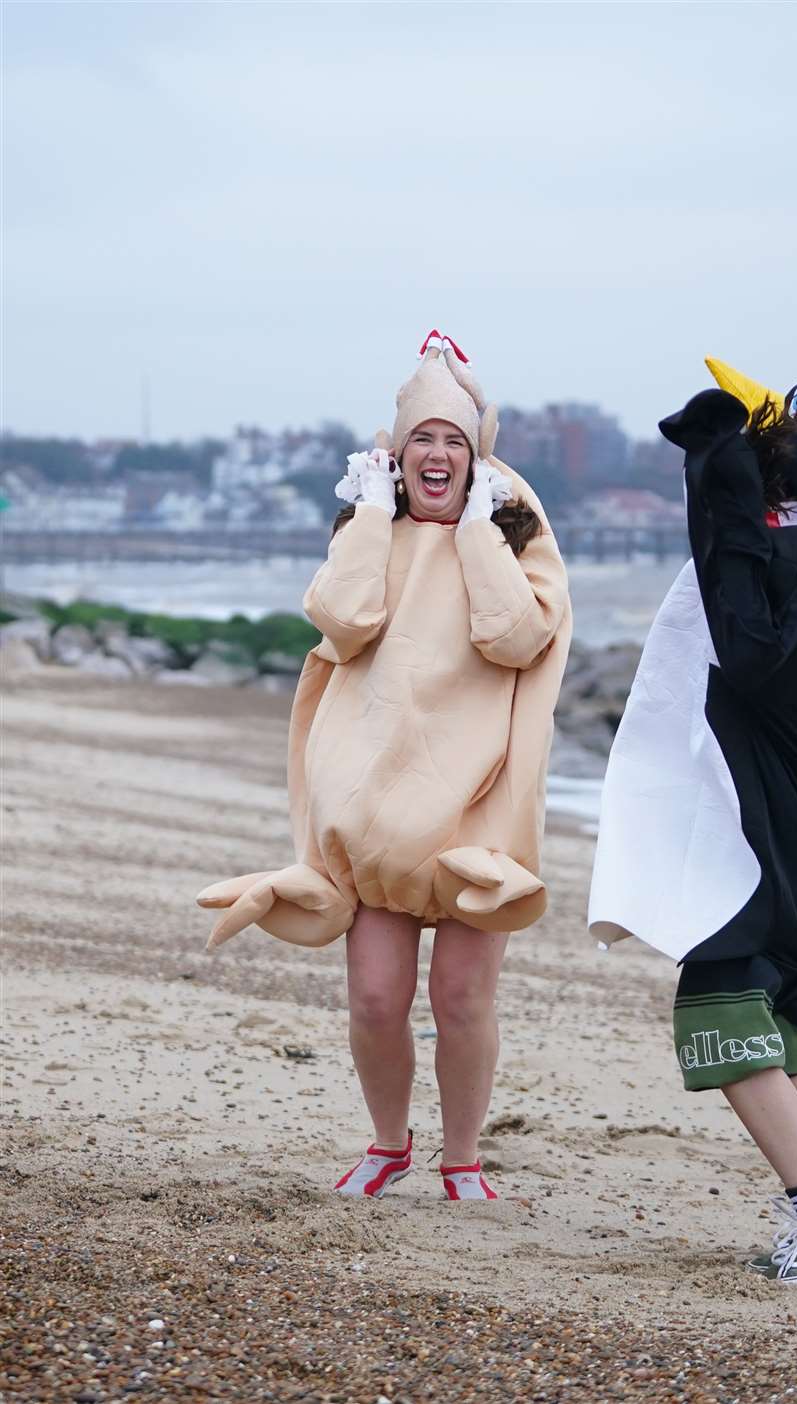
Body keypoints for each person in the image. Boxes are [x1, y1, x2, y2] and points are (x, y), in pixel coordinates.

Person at [197, 331, 572, 1202]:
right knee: (373, 997)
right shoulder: (370, 527)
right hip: (373, 814)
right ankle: (389, 1143)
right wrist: (370, 518)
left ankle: (464, 1157)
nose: (436, 455)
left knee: (460, 1001)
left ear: (477, 456)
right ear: (394, 455)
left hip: (476, 812)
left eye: (454, 441)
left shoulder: (515, 537)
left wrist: (478, 531)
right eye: (421, 441)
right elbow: (345, 621)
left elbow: (515, 639)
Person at [588, 356, 797, 1283]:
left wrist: (718, 473)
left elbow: (749, 646)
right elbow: (744, 567)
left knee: (720, 1001)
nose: (783, 435)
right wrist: (718, 464)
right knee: (771, 1001)